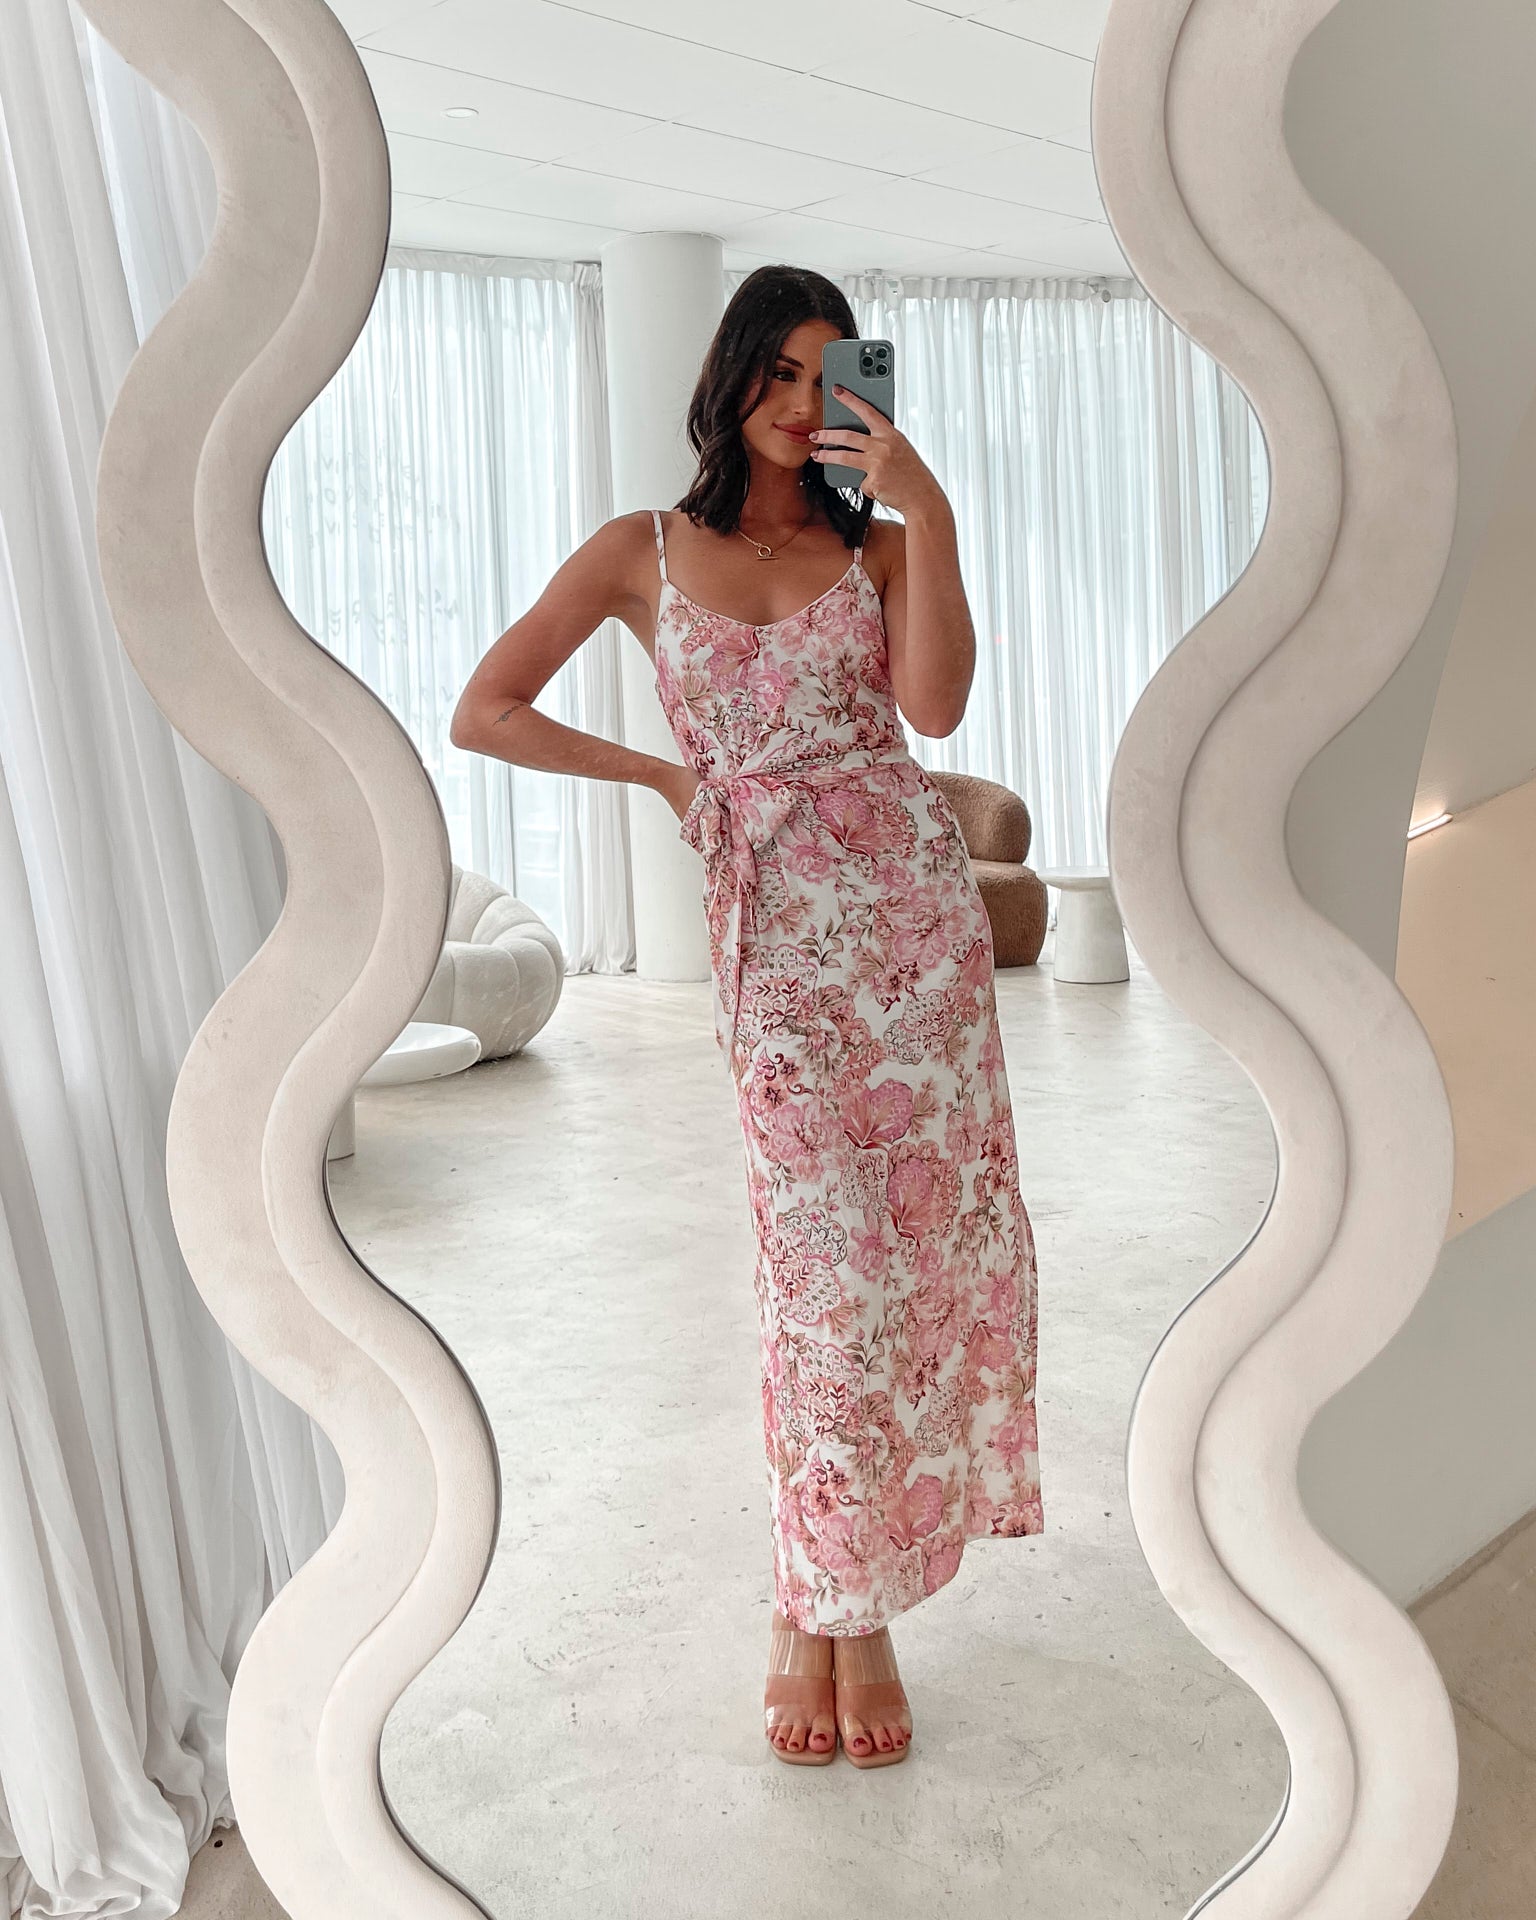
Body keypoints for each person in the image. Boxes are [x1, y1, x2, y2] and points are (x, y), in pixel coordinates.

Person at [451, 264, 1042, 1770]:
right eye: (777, 372)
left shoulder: (886, 544)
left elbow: (937, 711)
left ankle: (853, 1611)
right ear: (730, 380)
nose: (799, 403)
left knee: (911, 1268)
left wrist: (933, 510)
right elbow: (486, 709)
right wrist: (667, 777)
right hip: (773, 939)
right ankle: (819, 1601)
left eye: (830, 377)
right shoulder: (639, 549)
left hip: (914, 936)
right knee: (819, 1276)